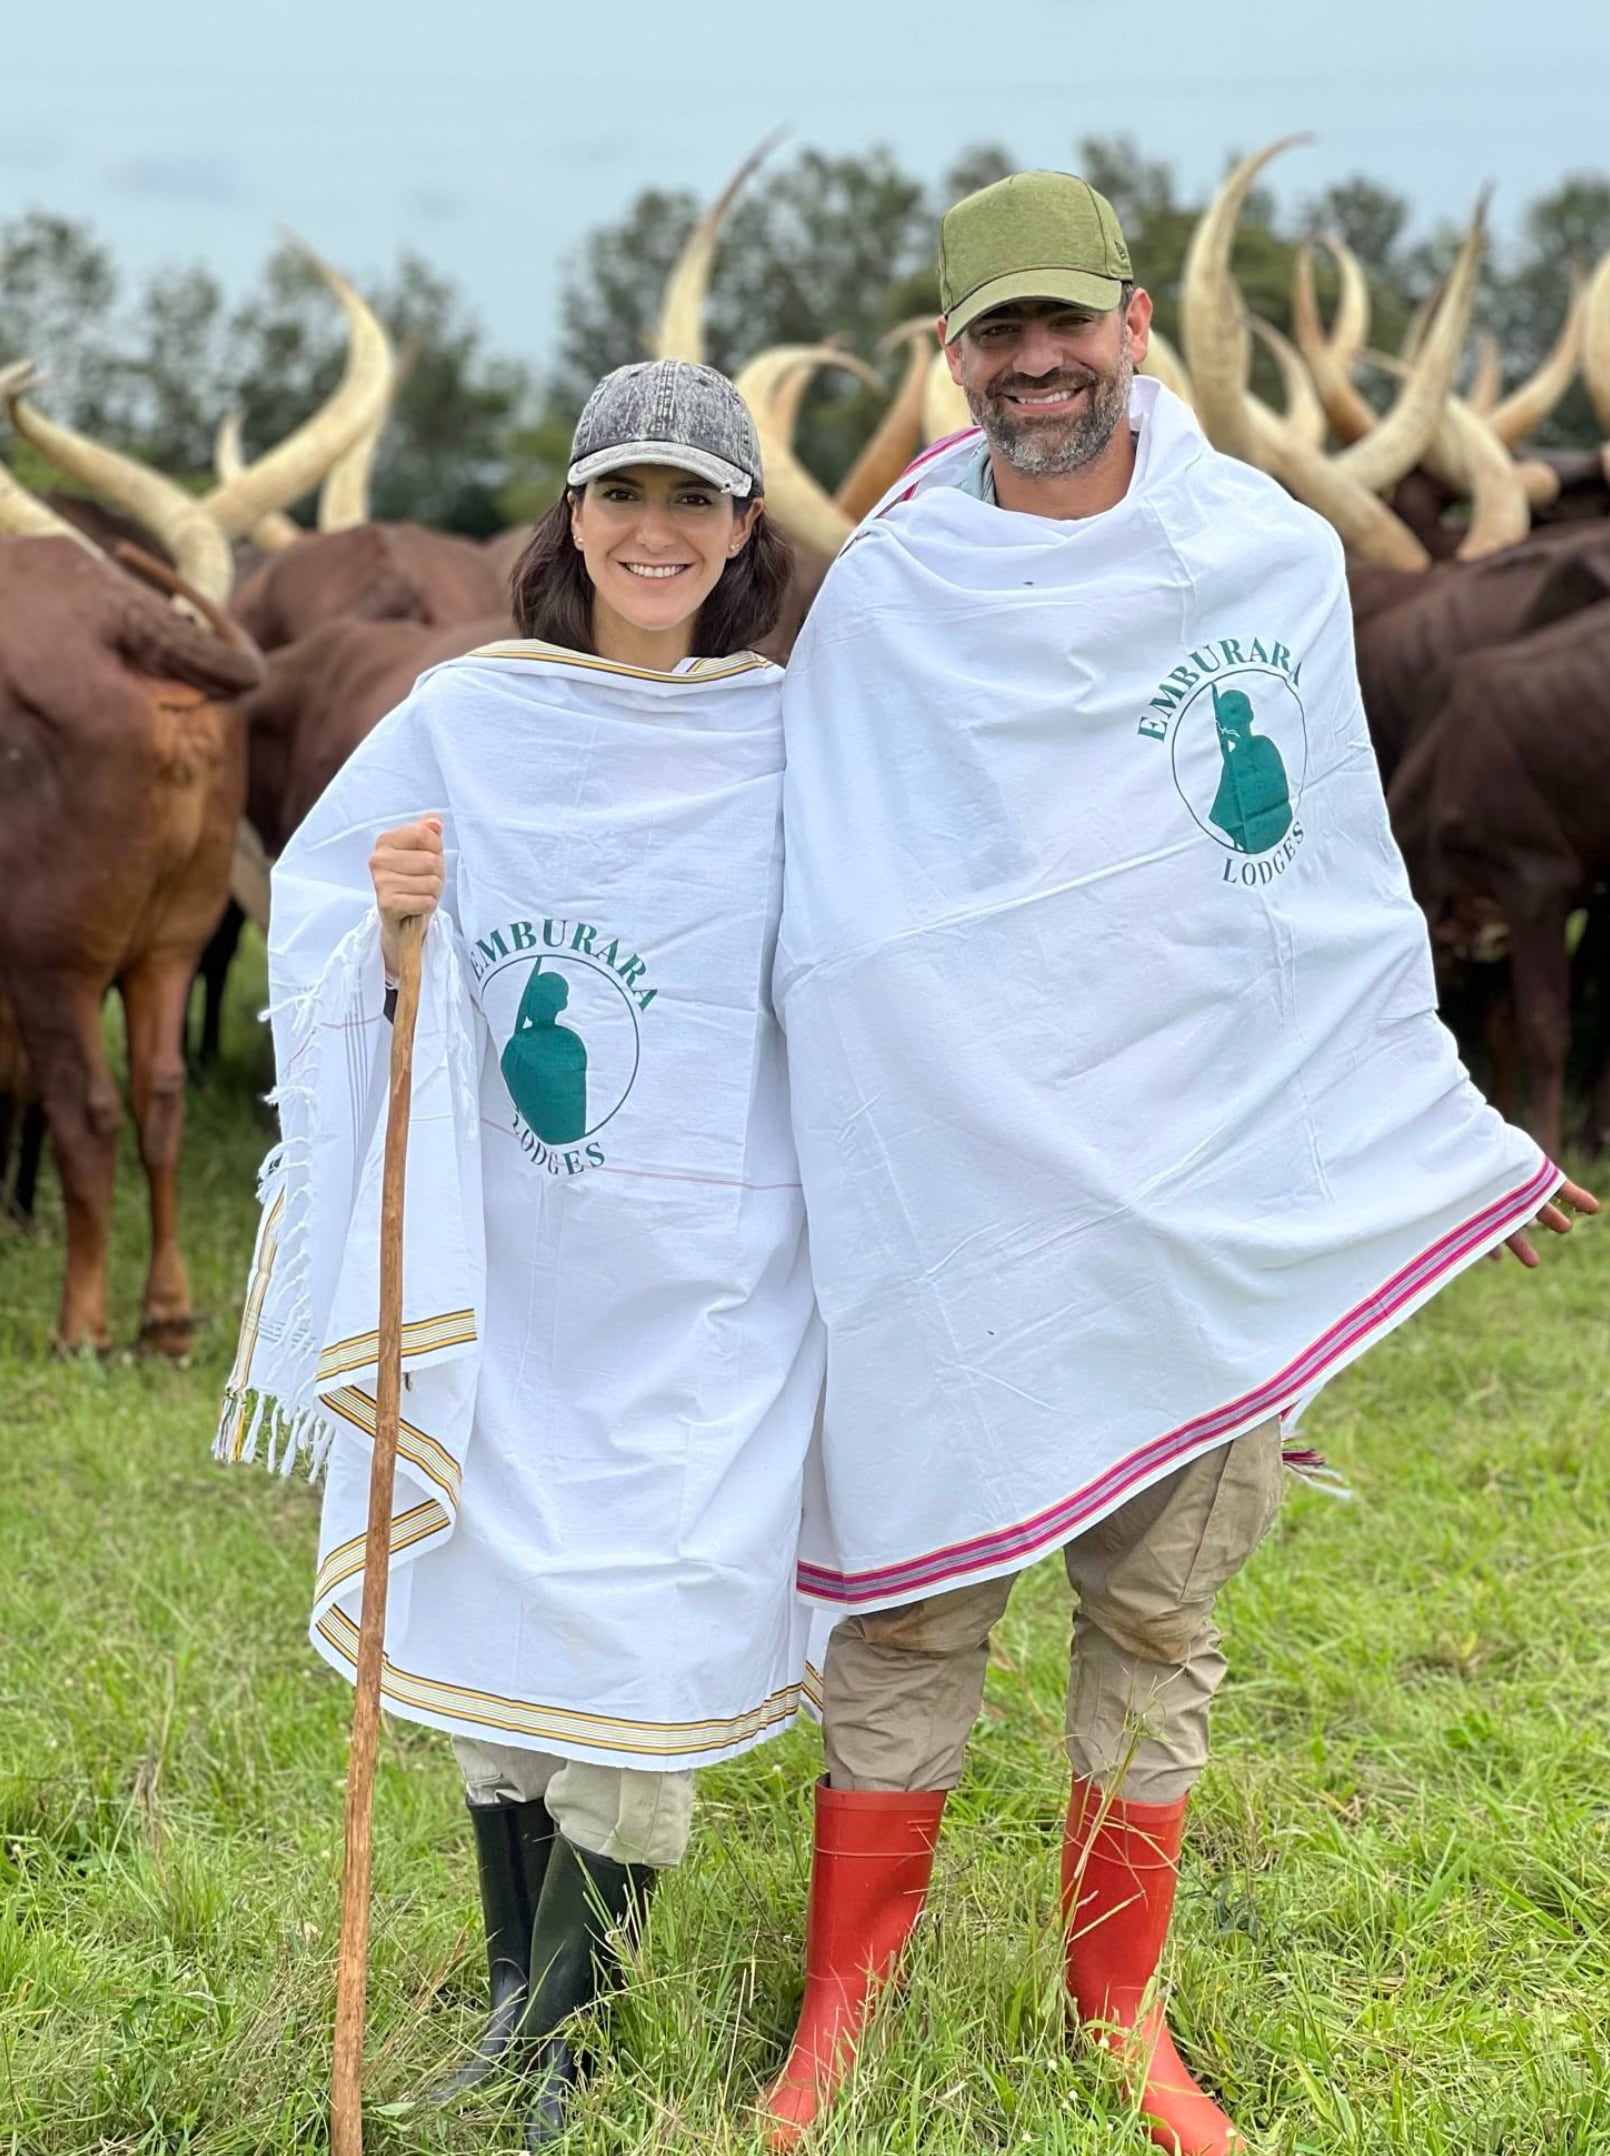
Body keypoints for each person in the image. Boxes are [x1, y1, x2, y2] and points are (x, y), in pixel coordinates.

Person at [763, 172, 1595, 2154]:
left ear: (1133, 322)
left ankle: (1113, 2013)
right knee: (910, 1609)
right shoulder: (884, 592)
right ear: (954, 360)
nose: (1036, 362)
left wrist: (1437, 1139)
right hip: (951, 1176)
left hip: (1194, 1181)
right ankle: (835, 2024)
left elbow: (1316, 892)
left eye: (1066, 324)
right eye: (997, 335)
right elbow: (826, 891)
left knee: (1160, 1616)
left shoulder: (1263, 560)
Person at [217, 360, 825, 2149]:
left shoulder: (788, 730)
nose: (656, 531)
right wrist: (395, 936)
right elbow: (322, 936)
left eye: (693, 502)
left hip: (714, 1266)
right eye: (624, 496)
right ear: (571, 516)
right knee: (500, 1614)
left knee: (646, 1651)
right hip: (514, 1260)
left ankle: (562, 2039)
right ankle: (520, 2017)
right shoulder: (465, 717)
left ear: (739, 531)